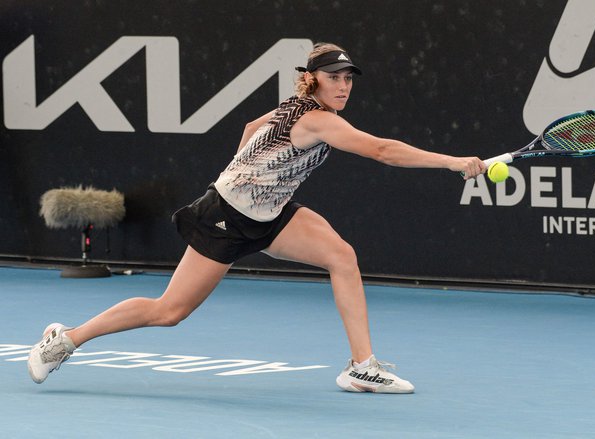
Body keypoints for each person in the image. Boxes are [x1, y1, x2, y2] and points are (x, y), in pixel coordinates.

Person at [28, 42, 486, 393]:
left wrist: (253, 177)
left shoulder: (297, 108)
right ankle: (66, 339)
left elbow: (250, 130)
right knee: (170, 312)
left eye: (349, 77)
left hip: (269, 213)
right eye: (335, 77)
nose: (344, 85)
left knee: (342, 257)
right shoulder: (318, 120)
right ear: (313, 79)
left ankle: (361, 367)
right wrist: (451, 161)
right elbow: (383, 151)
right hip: (225, 217)